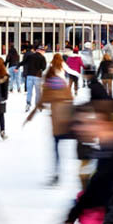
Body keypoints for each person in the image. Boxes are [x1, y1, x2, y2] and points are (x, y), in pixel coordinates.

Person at [27, 55, 78, 184]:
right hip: (67, 119)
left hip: (57, 121)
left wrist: (30, 116)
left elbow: (42, 101)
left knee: (56, 147)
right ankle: (80, 169)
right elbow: (71, 98)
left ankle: (56, 173)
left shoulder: (48, 83)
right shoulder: (63, 85)